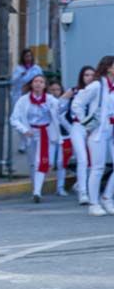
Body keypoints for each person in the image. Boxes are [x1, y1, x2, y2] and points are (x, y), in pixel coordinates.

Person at [70, 55, 114, 216]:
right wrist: (85, 123)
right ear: (109, 67)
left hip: (112, 129)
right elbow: (77, 103)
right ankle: (93, 203)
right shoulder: (97, 85)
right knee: (98, 168)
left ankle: (107, 198)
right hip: (99, 131)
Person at [10, 74, 63, 203]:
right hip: (30, 132)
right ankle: (36, 187)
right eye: (36, 81)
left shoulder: (50, 100)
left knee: (42, 162)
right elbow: (14, 119)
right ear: (31, 84)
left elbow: (61, 108)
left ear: (45, 86)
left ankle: (37, 192)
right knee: (33, 163)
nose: (38, 84)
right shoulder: (23, 100)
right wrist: (24, 130)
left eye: (41, 82)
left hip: (46, 133)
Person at [66, 66, 97, 205]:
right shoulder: (75, 91)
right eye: (86, 75)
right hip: (78, 127)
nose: (89, 77)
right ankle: (83, 193)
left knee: (95, 162)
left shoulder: (98, 91)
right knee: (82, 159)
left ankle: (81, 185)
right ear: (81, 77)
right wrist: (64, 97)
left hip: (93, 129)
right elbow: (58, 108)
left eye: (92, 75)